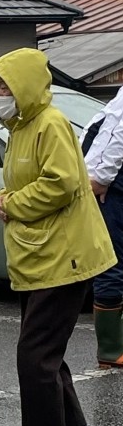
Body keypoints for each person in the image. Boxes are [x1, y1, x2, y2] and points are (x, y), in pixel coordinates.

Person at [0, 48, 114, 426]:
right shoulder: (21, 127)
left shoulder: (50, 123)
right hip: (42, 256)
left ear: (25, 85)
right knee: (48, 352)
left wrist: (11, 202)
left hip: (64, 256)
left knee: (34, 354)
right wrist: (10, 199)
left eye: (5, 85)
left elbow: (60, 183)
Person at [81, 85, 123, 368]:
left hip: (109, 179)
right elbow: (115, 135)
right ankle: (109, 350)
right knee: (113, 262)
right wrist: (102, 178)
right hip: (115, 184)